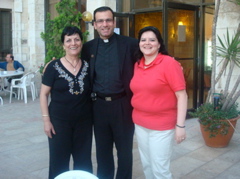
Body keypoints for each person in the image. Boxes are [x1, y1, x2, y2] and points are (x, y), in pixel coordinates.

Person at [81, 6, 138, 179]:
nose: (105, 24)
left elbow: (149, 59)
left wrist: (169, 61)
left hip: (123, 105)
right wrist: (53, 65)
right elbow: (74, 65)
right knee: (102, 151)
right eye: (100, 21)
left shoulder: (130, 44)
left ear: (114, 22)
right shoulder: (88, 48)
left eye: (108, 20)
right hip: (98, 107)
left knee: (124, 152)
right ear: (94, 25)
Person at [130, 26, 188, 179]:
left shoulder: (169, 64)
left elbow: (182, 96)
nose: (147, 43)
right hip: (140, 123)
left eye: (152, 40)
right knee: (147, 164)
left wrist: (180, 126)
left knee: (160, 168)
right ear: (139, 43)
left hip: (161, 126)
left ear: (159, 44)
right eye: (143, 40)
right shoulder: (138, 64)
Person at [40, 26, 93, 179]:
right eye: (68, 40)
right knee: (59, 162)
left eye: (76, 39)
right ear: (63, 45)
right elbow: (43, 94)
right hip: (59, 123)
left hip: (84, 122)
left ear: (81, 43)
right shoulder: (53, 67)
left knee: (83, 162)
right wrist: (46, 120)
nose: (73, 43)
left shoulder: (88, 66)